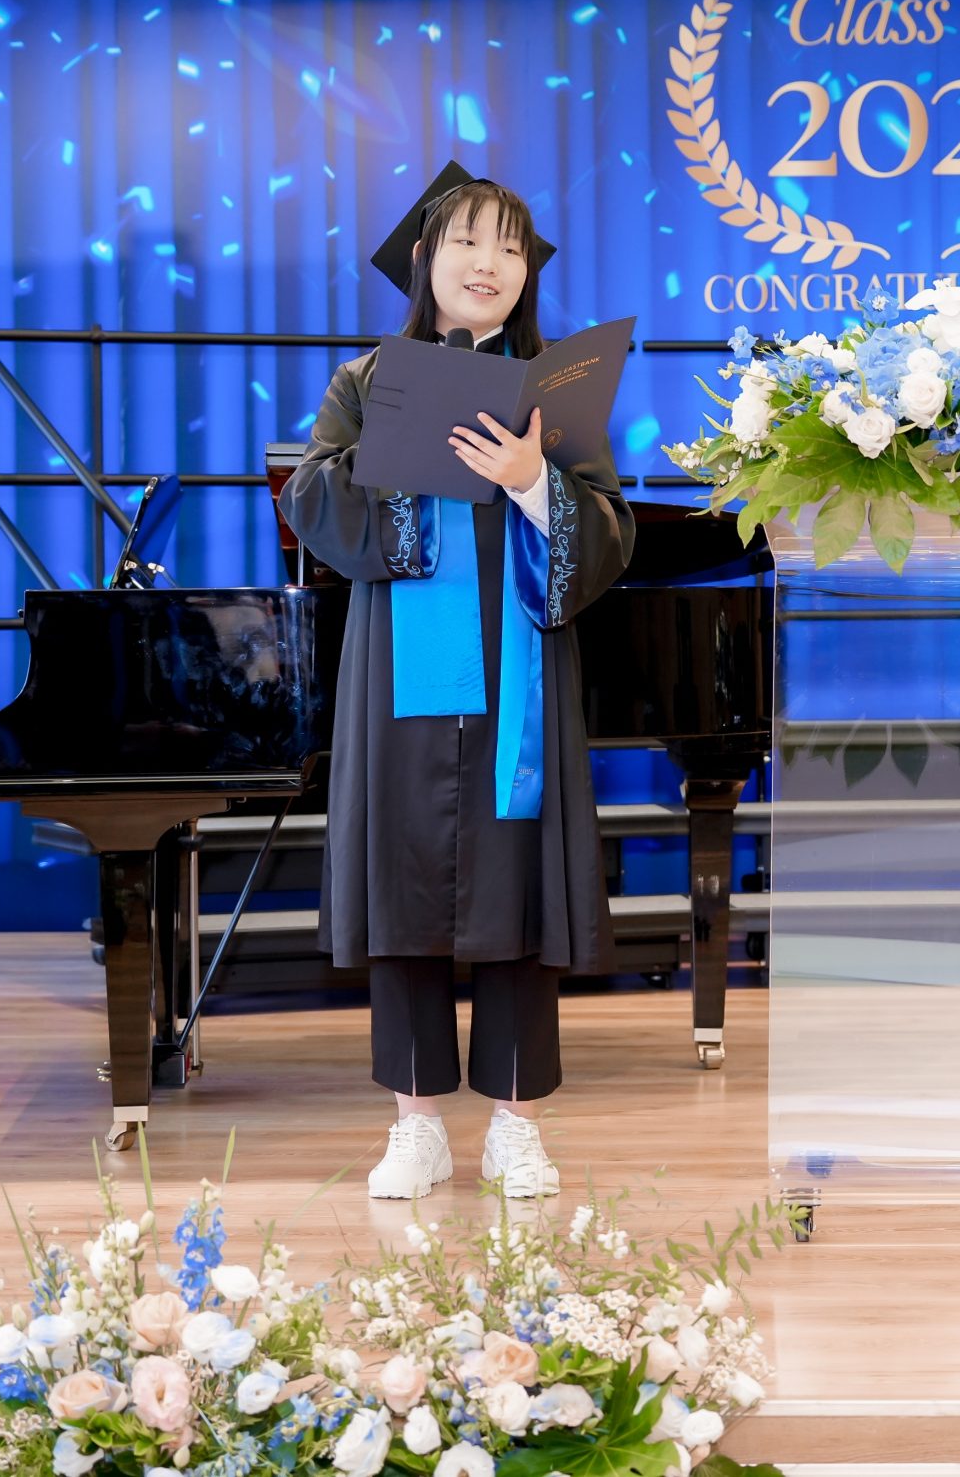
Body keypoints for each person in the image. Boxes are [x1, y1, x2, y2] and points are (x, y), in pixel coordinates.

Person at [280, 162, 633, 1199]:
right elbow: (310, 498)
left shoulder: (553, 396)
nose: (490, 263)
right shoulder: (365, 381)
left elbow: (608, 532)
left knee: (520, 885)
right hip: (403, 672)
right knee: (405, 884)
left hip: (521, 671)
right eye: (469, 241)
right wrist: (398, 456)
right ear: (425, 258)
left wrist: (532, 481)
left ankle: (516, 1124)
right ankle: (417, 1124)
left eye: (511, 247)